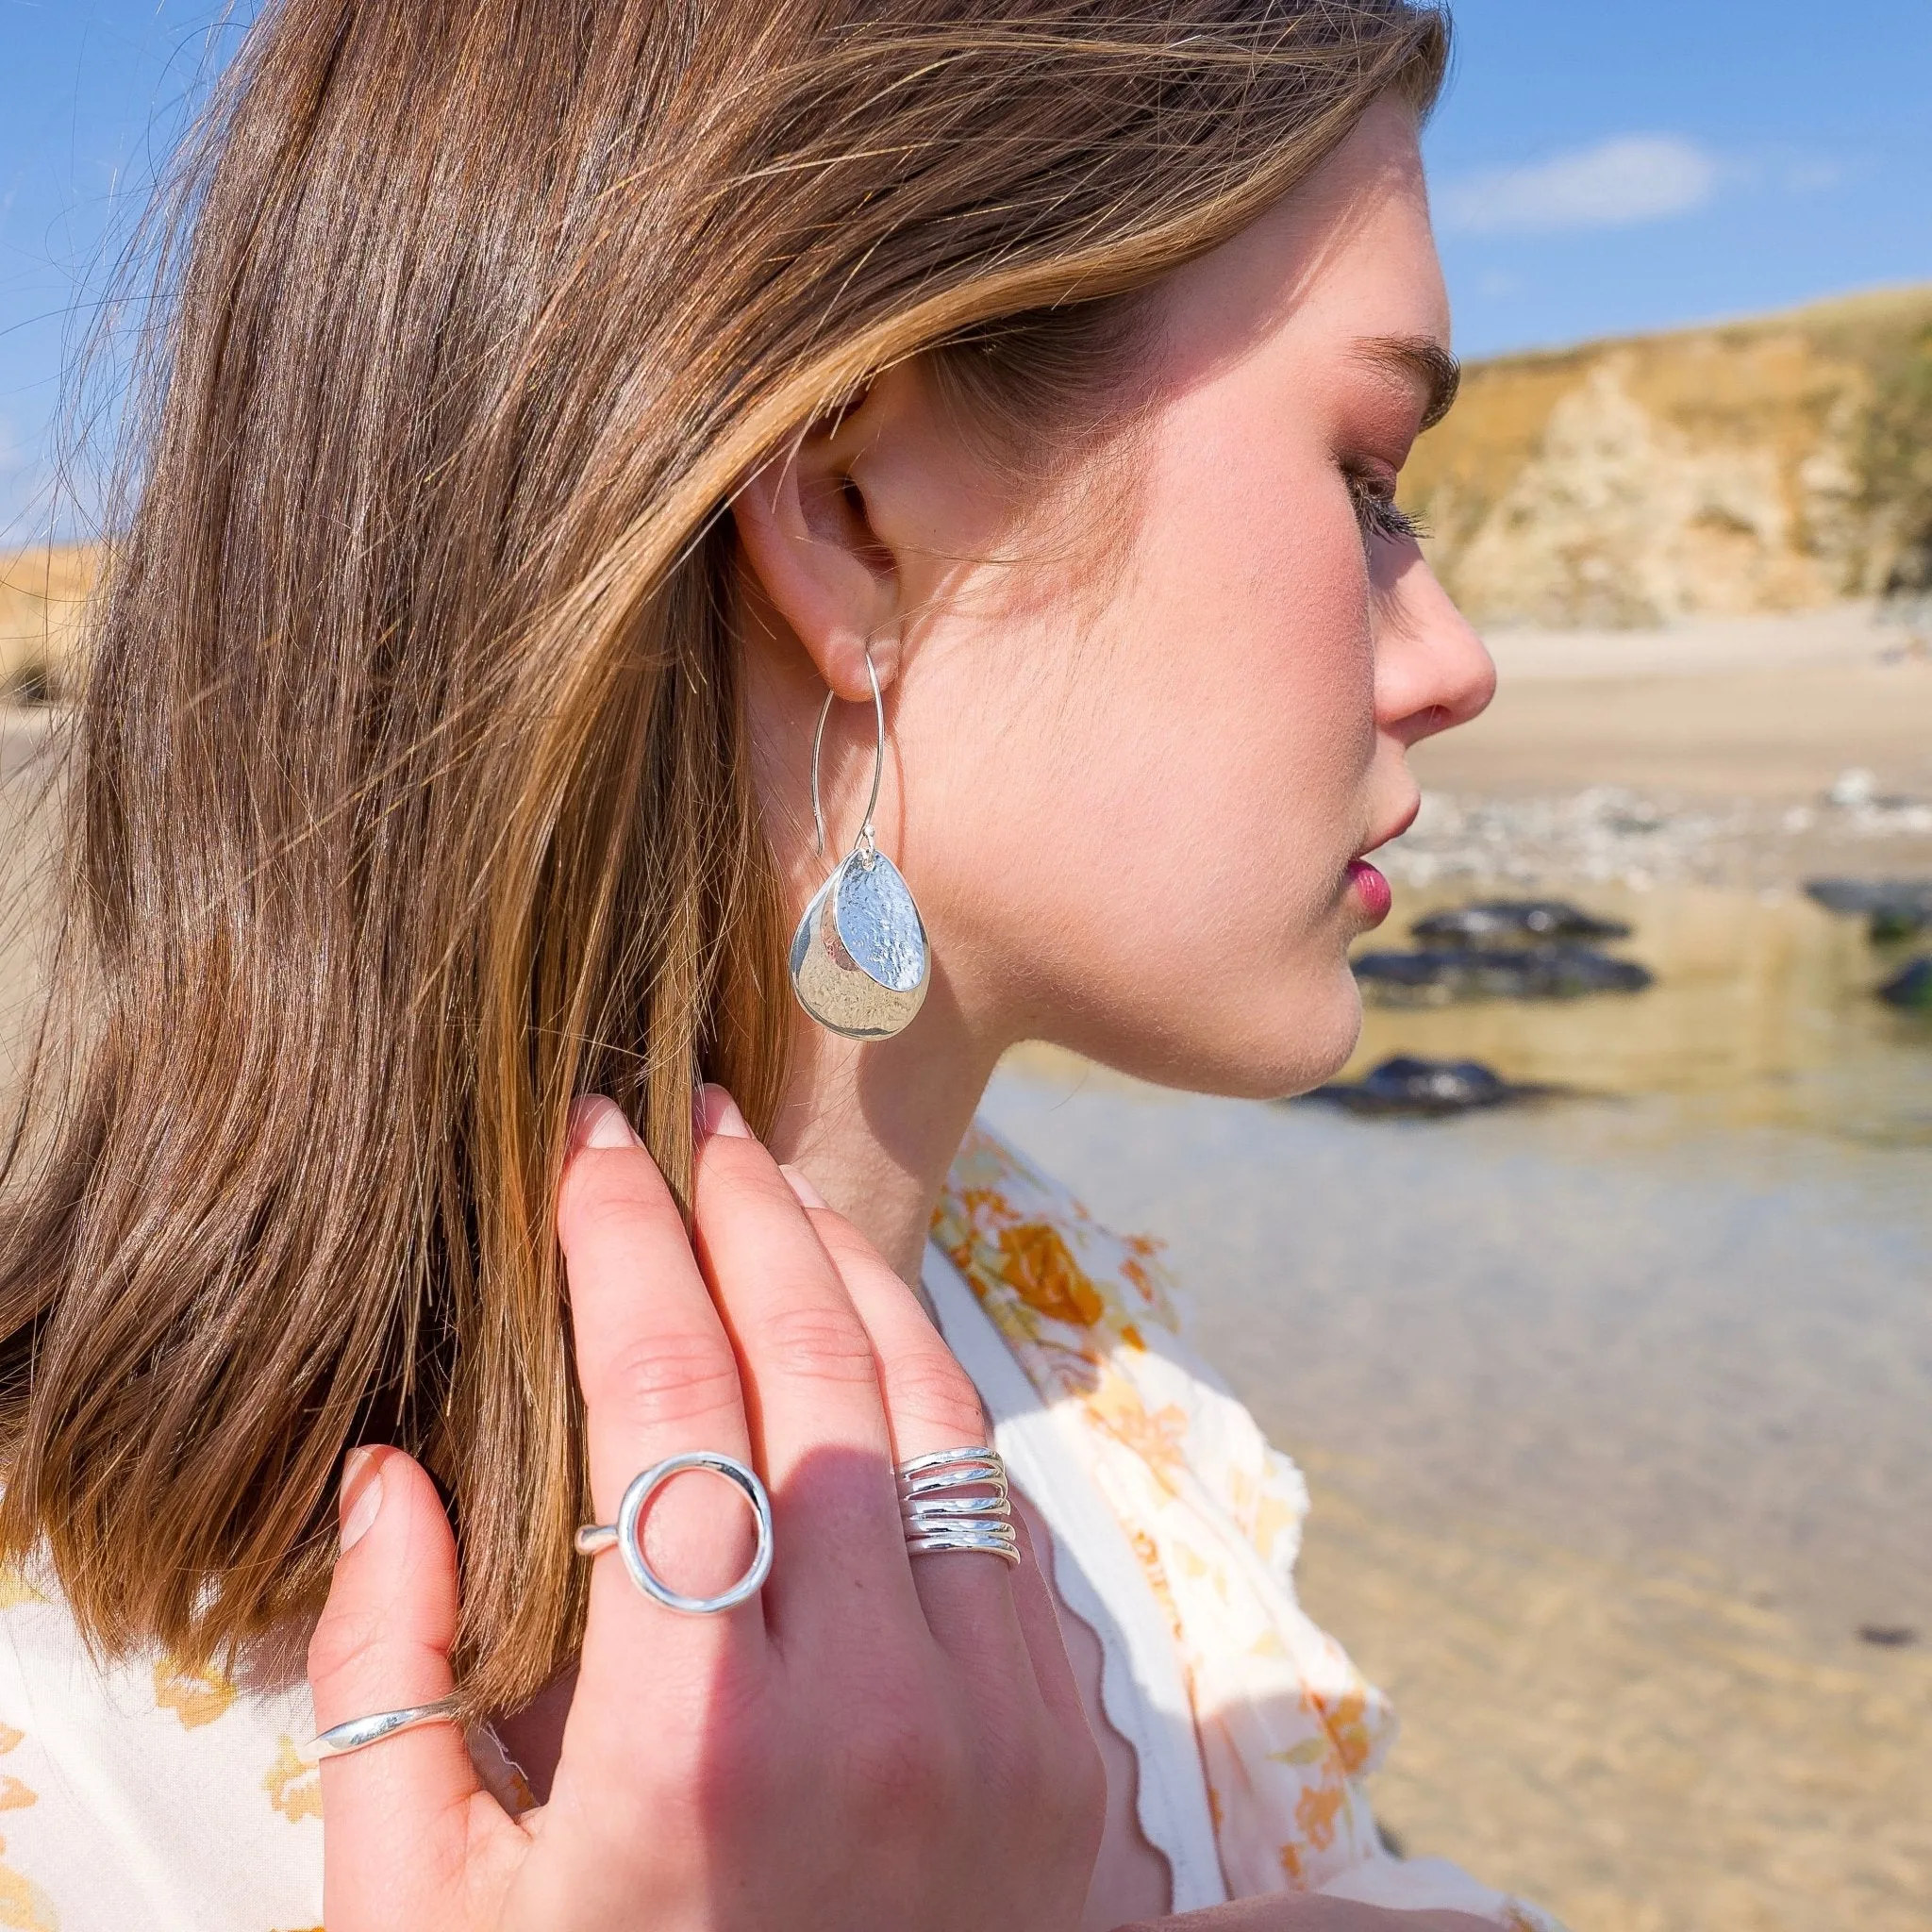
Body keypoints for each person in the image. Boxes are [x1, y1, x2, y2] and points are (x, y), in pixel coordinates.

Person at [0, 2, 1555, 1926]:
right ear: (850, 520)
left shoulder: (1052, 1325)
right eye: (1370, 474)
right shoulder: (64, 1760)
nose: (1450, 656)